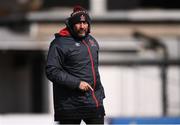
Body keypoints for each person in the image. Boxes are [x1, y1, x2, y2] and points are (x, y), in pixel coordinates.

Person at [45, 5, 105, 124]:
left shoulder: (92, 42)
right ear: (71, 25)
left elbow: (93, 71)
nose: (82, 26)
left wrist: (100, 94)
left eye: (85, 23)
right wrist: (77, 83)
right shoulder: (59, 43)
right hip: (69, 105)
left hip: (93, 102)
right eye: (78, 23)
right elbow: (51, 71)